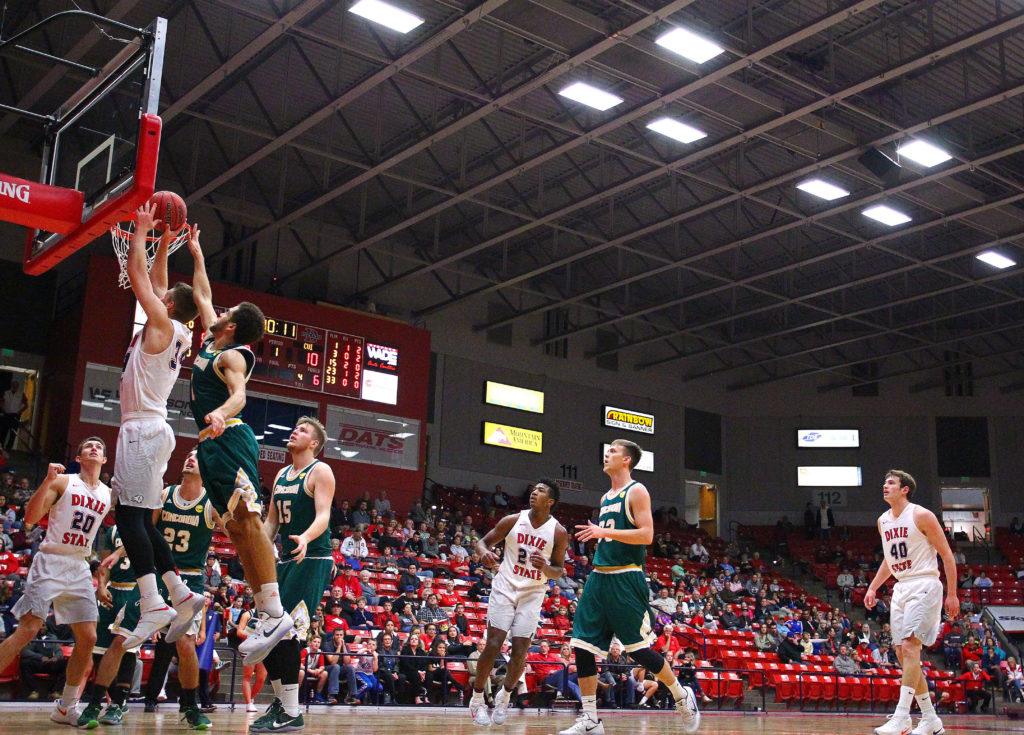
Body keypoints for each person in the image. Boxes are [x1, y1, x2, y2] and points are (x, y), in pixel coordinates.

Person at [187, 230, 294, 665]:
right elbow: (202, 293)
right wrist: (196, 251)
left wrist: (220, 413)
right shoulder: (214, 340)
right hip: (213, 447)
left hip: (229, 437)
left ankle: (275, 613)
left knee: (248, 521)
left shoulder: (232, 356)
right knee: (234, 529)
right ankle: (267, 609)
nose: (219, 310)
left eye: (226, 312)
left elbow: (240, 397)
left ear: (231, 326)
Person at [562, 439, 700, 735]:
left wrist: (603, 531)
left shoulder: (636, 490)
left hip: (625, 578)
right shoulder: (605, 497)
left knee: (638, 650)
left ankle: (680, 693)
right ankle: (590, 720)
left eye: (612, 451)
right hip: (599, 578)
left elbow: (647, 535)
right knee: (582, 646)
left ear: (626, 460)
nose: (607, 454)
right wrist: (601, 536)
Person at [114, 203, 205, 649]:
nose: (158, 294)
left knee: (127, 516)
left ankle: (151, 601)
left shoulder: (160, 323)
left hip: (141, 429)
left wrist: (141, 231)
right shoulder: (179, 331)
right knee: (143, 520)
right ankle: (179, 591)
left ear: (167, 306)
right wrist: (166, 243)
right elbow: (160, 283)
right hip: (157, 429)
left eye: (162, 296)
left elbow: (138, 276)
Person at [0, 439, 110, 723]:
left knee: (88, 638)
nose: (94, 449)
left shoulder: (109, 494)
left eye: (99, 447)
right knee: (28, 629)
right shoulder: (63, 481)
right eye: (89, 446)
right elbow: (31, 517)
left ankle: (66, 707)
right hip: (50, 560)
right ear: (78, 456)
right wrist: (47, 482)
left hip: (79, 565)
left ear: (105, 461)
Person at [251, 417, 336, 732]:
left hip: (312, 558)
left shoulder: (321, 471)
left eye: (303, 430)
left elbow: (324, 514)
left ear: (314, 443)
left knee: (284, 633)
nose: (294, 431)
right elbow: (272, 523)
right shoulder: (281, 474)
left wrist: (306, 537)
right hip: (285, 561)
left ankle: (290, 710)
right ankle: (284, 706)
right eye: (295, 428)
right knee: (266, 635)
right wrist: (255, 543)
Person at [468, 478, 568, 727]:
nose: (534, 493)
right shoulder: (513, 520)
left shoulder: (558, 531)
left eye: (541, 491)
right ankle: (477, 699)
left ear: (550, 501)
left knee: (520, 651)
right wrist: (485, 555)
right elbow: (482, 542)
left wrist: (545, 566)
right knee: (493, 645)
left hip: (533, 593)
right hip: (505, 587)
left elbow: (558, 571)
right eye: (533, 489)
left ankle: (505, 696)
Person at [866, 470, 959, 735]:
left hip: (925, 583)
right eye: (884, 482)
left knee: (909, 648)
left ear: (905, 489)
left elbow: (947, 555)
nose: (885, 486)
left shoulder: (921, 515)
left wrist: (952, 594)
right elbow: (889, 560)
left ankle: (902, 716)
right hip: (901, 586)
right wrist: (874, 586)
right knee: (901, 653)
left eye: (891, 483)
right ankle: (930, 718)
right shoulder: (883, 521)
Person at [138, 448, 219, 727]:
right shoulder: (165, 495)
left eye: (198, 456)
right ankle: (109, 699)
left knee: (184, 644)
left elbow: (234, 530)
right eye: (189, 454)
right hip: (159, 576)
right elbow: (143, 531)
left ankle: (189, 705)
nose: (190, 457)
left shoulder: (210, 502)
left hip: (190, 580)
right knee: (124, 638)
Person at [76, 524, 143, 728]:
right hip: (113, 590)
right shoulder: (113, 531)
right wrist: (102, 586)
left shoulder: (147, 525)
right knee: (99, 651)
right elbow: (104, 565)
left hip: (135, 591)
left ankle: (118, 701)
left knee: (128, 648)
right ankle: (108, 698)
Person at [1, 379, 27, 450]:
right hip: (7, 414)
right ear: (11, 385)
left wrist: (20, 411)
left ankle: (9, 447)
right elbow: (1, 401)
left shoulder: (21, 394)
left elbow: (26, 405)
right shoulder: (6, 393)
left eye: (16, 385)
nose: (14, 386)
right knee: (3, 431)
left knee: (13, 432)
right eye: (13, 385)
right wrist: (3, 409)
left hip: (15, 415)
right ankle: (1, 446)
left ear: (18, 386)